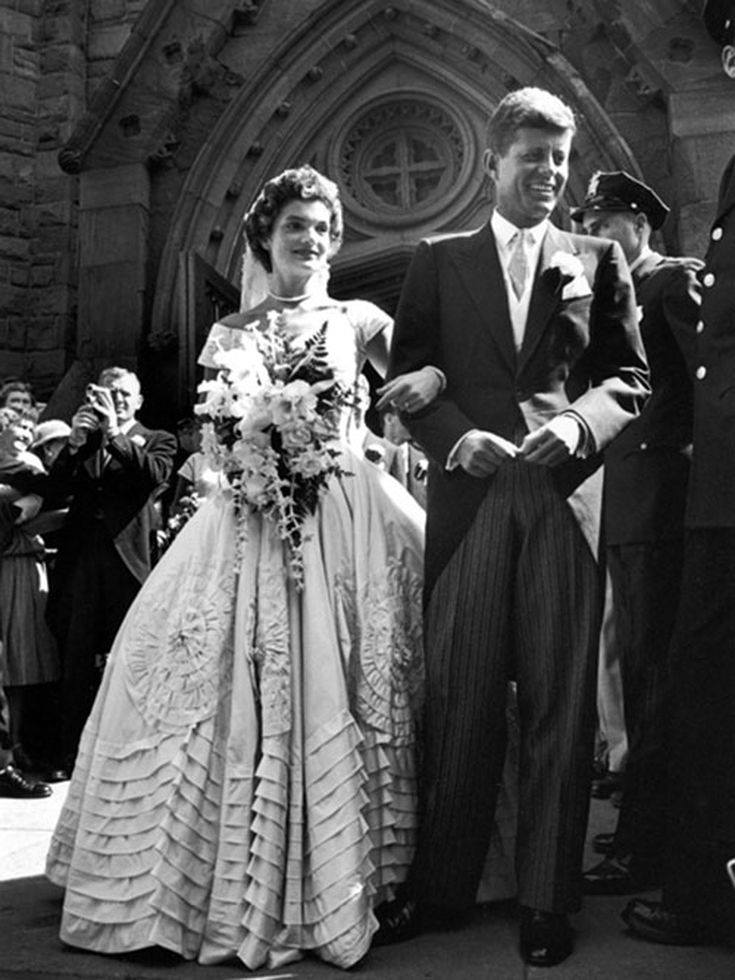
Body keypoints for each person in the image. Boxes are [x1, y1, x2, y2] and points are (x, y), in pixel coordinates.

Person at [46, 165, 444, 971]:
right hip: (248, 513)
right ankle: (192, 881)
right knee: (200, 669)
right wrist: (247, 448)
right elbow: (211, 432)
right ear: (265, 235)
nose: (311, 239)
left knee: (358, 667)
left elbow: (423, 385)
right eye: (295, 225)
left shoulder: (360, 319)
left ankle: (362, 875)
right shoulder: (229, 331)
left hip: (344, 511)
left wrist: (427, 388)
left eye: (323, 227)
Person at [379, 87, 649, 967]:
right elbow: (413, 374)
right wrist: (453, 438)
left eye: (559, 159)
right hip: (470, 501)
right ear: (493, 160)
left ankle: (544, 897)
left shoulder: (596, 258)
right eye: (532, 156)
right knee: (460, 698)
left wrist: (577, 425)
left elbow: (628, 379)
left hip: (562, 499)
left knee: (558, 707)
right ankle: (443, 887)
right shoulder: (437, 259)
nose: (549, 173)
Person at [621, 0, 735, 944]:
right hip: (709, 486)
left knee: (698, 676)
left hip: (713, 480)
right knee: (693, 677)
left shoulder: (668, 275)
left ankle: (702, 891)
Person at [569, 172, 702, 896]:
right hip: (624, 498)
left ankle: (644, 847)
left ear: (639, 224)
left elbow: (708, 384)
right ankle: (644, 829)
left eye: (604, 223)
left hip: (660, 496)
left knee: (653, 677)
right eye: (587, 226)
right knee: (632, 668)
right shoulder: (610, 297)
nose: (594, 236)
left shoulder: (670, 283)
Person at [45, 367, 176, 767]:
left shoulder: (158, 439)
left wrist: (116, 432)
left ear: (138, 401)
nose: (115, 399)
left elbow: (153, 476)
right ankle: (71, 752)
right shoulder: (87, 440)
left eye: (123, 394)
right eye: (107, 392)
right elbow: (55, 489)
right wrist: (74, 444)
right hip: (83, 561)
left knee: (132, 658)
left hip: (128, 564)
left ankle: (132, 751)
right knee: (77, 655)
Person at [0, 407, 61, 791]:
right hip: (6, 564)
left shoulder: (36, 471)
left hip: (24, 566)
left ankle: (17, 744)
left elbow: (49, 510)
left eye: (29, 426)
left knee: (22, 662)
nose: (25, 432)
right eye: (16, 426)